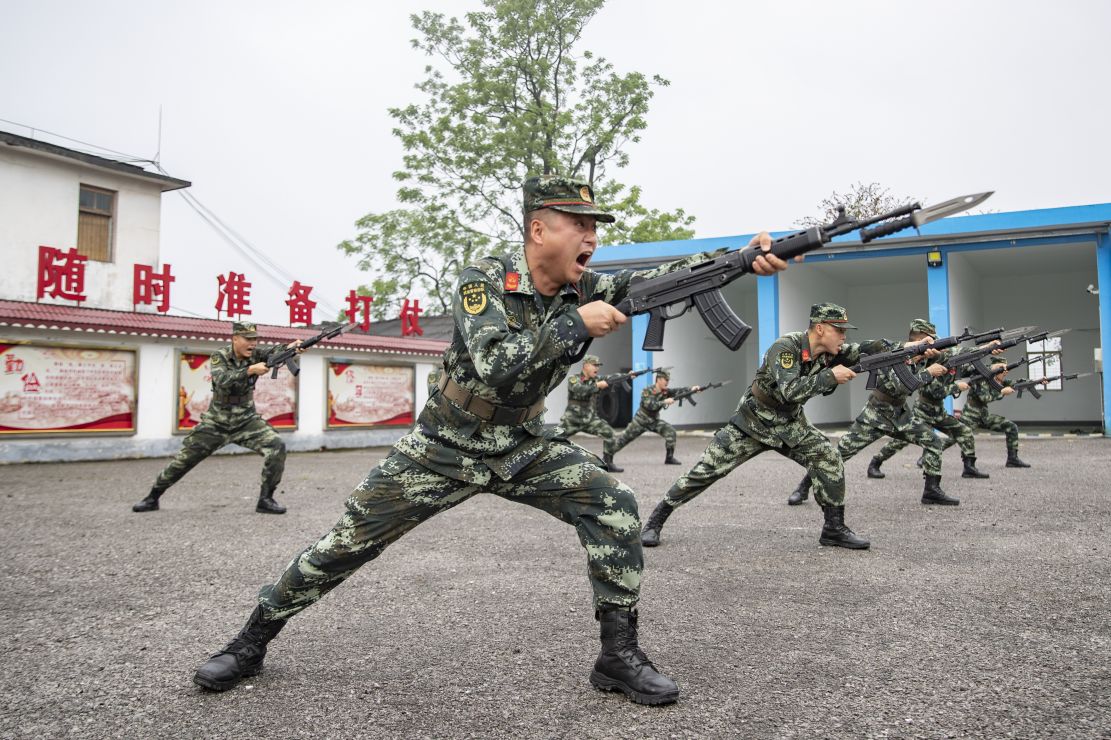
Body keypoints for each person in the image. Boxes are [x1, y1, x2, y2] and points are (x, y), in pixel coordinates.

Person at [189, 175, 789, 705]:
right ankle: (249, 644)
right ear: (538, 229)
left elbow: (668, 276)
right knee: (347, 543)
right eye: (578, 224)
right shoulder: (484, 281)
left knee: (615, 506)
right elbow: (498, 361)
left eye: (594, 227)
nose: (591, 237)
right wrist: (574, 324)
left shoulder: (591, 286)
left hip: (521, 445)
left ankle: (617, 657)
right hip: (442, 445)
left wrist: (739, 258)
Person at [640, 303, 890, 551]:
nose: (845, 336)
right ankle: (655, 521)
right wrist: (830, 376)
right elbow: (791, 390)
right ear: (821, 328)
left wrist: (910, 348)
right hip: (752, 422)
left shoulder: (829, 352)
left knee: (828, 457)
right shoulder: (786, 348)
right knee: (705, 472)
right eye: (840, 330)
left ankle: (834, 529)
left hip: (789, 423)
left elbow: (864, 349)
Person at [131, 322, 302, 515]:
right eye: (247, 339)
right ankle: (153, 497)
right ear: (235, 338)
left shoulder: (255, 353)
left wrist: (291, 348)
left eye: (255, 339)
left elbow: (274, 351)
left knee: (276, 446)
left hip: (246, 421)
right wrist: (249, 370)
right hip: (216, 423)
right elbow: (222, 380)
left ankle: (266, 499)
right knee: (184, 460)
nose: (252, 344)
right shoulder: (219, 356)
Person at [788, 319, 953, 509]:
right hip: (875, 416)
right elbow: (903, 386)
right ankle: (803, 487)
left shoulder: (921, 359)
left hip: (900, 415)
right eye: (929, 342)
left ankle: (931, 491)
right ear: (920, 341)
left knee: (933, 442)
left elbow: (948, 358)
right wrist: (929, 372)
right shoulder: (895, 356)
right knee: (838, 455)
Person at [865, 319, 990, 480]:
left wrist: (987, 350)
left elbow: (967, 362)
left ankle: (969, 467)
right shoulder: (925, 362)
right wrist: (956, 387)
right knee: (901, 441)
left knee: (963, 431)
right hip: (922, 411)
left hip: (938, 411)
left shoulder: (948, 362)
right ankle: (876, 462)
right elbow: (934, 391)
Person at [608, 368, 699, 466]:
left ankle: (669, 458)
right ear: (658, 379)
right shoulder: (647, 391)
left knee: (670, 431)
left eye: (668, 380)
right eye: (665, 380)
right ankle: (607, 457)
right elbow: (649, 405)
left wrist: (692, 390)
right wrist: (664, 402)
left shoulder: (665, 391)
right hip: (640, 421)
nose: (667, 382)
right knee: (623, 440)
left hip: (653, 421)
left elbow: (679, 391)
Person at [558, 355, 629, 472]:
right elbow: (580, 390)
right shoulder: (574, 378)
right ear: (585, 366)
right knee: (555, 438)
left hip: (589, 419)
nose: (597, 368)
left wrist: (628, 375)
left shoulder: (596, 379)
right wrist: (597, 386)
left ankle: (608, 463)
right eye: (594, 365)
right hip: (572, 419)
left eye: (598, 366)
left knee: (609, 433)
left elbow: (611, 377)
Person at [959, 359, 1034, 467]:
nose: (1005, 372)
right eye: (1002, 369)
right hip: (970, 417)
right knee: (953, 438)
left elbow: (1014, 383)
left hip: (983, 417)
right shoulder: (981, 378)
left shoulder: (997, 381)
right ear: (995, 368)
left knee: (1011, 427)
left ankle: (1012, 459)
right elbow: (984, 398)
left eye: (1006, 369)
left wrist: (1036, 381)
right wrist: (1002, 392)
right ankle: (930, 456)